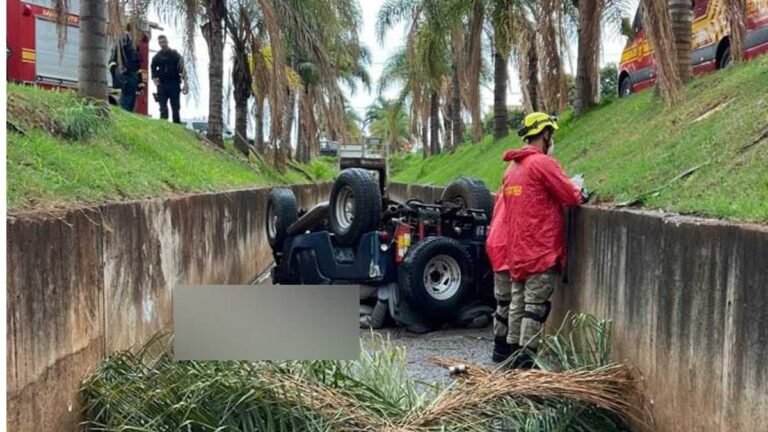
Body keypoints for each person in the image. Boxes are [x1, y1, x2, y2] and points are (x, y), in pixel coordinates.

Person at [492, 112, 588, 367]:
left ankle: (511, 360)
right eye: (551, 134)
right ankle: (526, 363)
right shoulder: (542, 164)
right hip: (540, 251)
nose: (552, 140)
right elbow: (569, 196)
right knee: (535, 309)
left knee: (517, 306)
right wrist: (580, 190)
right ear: (545, 134)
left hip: (517, 253)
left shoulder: (511, 170)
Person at [151, 35, 188, 123]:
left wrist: (186, 84)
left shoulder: (174, 54)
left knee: (175, 107)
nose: (162, 44)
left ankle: (177, 125)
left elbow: (182, 69)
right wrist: (155, 79)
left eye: (164, 42)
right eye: (160, 42)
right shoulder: (157, 57)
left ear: (167, 41)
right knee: (163, 107)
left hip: (174, 84)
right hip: (162, 85)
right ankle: (163, 125)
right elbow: (153, 70)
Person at [109, 24, 142, 112]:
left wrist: (140, 84)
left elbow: (138, 65)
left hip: (133, 78)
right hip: (125, 77)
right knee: (125, 104)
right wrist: (118, 74)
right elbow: (112, 61)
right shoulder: (122, 40)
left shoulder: (134, 45)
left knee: (131, 103)